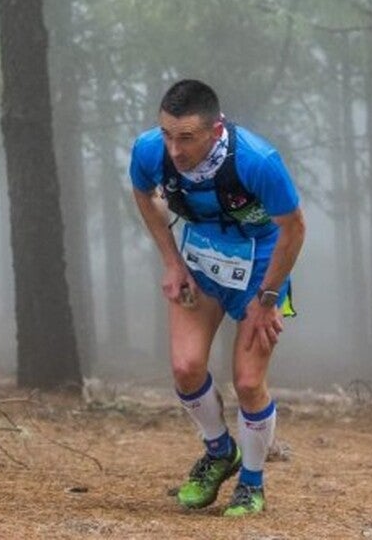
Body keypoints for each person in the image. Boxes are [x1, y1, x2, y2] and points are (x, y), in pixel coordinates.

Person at [129, 79, 306, 517]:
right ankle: (218, 451)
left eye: (186, 137)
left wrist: (266, 299)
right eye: (167, 134)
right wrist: (172, 262)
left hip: (261, 265)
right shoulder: (149, 150)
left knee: (248, 382)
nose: (174, 149)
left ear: (215, 128)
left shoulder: (258, 160)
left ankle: (251, 481)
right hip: (201, 259)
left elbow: (294, 229)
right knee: (186, 368)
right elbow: (142, 194)